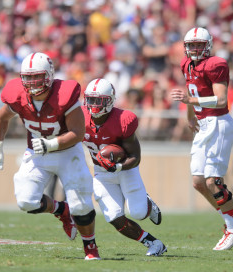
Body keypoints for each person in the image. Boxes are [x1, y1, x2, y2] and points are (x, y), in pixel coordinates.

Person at [0, 52, 101, 260]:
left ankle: (90, 247)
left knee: (81, 204)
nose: (31, 82)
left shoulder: (64, 95)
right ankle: (62, 211)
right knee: (26, 200)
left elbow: (78, 133)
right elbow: (2, 118)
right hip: (37, 153)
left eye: (36, 76)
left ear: (49, 75)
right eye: (27, 77)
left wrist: (51, 143)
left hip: (67, 152)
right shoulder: (17, 95)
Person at [82, 78, 167, 256]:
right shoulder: (79, 117)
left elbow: (136, 156)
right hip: (101, 172)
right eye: (91, 99)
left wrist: (118, 167)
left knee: (138, 212)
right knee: (113, 216)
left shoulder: (123, 119)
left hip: (126, 170)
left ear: (110, 100)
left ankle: (148, 205)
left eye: (100, 100)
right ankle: (153, 243)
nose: (94, 104)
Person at [171, 27, 233, 251]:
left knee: (212, 181)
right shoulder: (186, 64)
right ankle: (229, 221)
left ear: (208, 45)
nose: (195, 49)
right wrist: (190, 115)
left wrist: (188, 101)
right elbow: (192, 91)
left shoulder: (216, 64)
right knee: (198, 182)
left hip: (218, 122)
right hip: (202, 123)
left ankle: (231, 226)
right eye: (192, 45)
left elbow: (220, 100)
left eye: (199, 45)